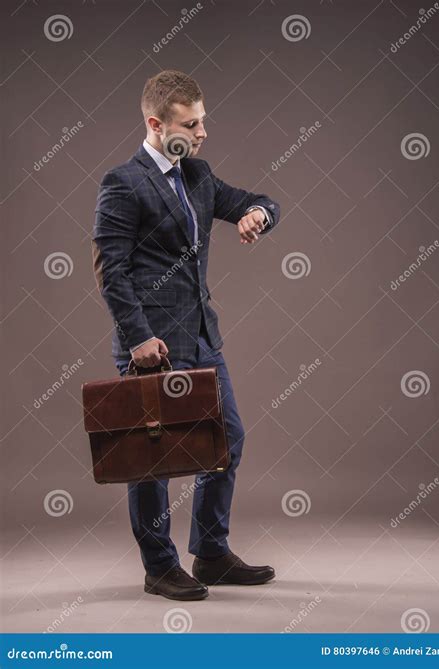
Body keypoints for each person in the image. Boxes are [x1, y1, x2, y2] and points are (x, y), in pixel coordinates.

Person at [92, 70, 280, 601]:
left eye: (203, 120)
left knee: (227, 441)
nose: (202, 132)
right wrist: (137, 338)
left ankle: (212, 554)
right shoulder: (123, 183)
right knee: (151, 462)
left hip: (201, 339)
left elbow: (258, 199)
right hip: (150, 346)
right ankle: (159, 566)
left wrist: (258, 215)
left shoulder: (197, 175)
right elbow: (112, 270)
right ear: (156, 124)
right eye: (190, 123)